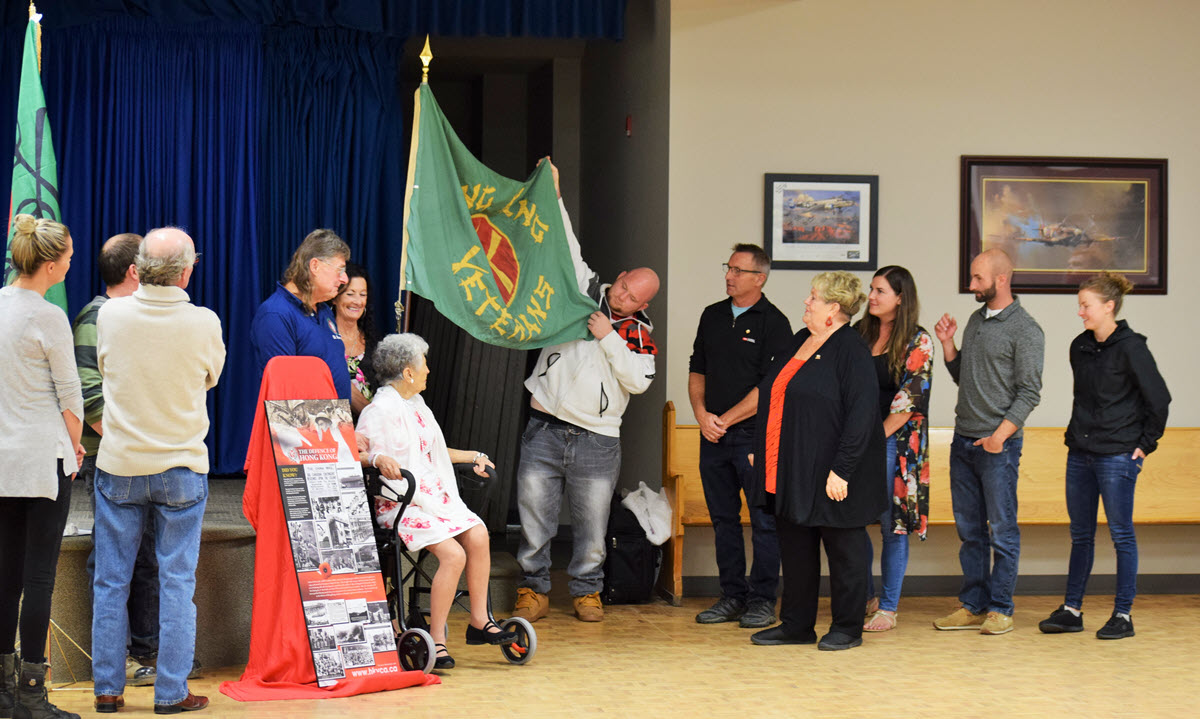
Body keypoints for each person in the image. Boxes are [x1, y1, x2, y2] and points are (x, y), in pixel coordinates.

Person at [513, 159, 660, 623]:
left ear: (643, 304)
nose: (620, 295)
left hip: (597, 437)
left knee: (592, 525)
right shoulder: (582, 291)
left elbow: (638, 381)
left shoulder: (639, 334)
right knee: (534, 517)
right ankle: (532, 589)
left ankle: (586, 591)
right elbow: (564, 244)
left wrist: (608, 337)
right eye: (621, 284)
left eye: (631, 296)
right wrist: (553, 194)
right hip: (545, 425)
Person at [91, 228, 225, 713]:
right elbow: (213, 377)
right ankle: (171, 693)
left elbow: (105, 368)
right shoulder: (204, 321)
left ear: (138, 267)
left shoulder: (110, 315)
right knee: (177, 583)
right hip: (181, 466)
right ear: (187, 271)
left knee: (110, 581)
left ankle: (107, 690)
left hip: (121, 464)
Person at [356, 333, 516, 670]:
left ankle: (478, 620)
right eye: (423, 364)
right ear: (408, 373)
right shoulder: (379, 408)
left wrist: (474, 455)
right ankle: (438, 638)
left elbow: (434, 452)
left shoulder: (416, 405)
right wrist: (378, 457)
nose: (428, 370)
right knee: (454, 554)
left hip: (432, 497)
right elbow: (359, 451)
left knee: (478, 534)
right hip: (400, 504)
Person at [745, 271, 885, 651]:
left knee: (845, 553)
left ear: (833, 309)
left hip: (833, 472)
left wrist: (842, 469)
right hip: (791, 467)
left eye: (813, 297)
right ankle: (796, 625)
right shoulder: (801, 341)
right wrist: (765, 445)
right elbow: (775, 394)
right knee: (796, 548)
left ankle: (846, 628)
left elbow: (862, 416)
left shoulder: (851, 350)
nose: (806, 302)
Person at [1038, 272, 1170, 640]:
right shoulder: (1079, 346)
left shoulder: (1132, 347)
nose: (1080, 312)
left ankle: (1123, 615)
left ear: (1108, 306)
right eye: (1080, 305)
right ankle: (1071, 610)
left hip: (1118, 456)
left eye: (1086, 305)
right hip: (1080, 454)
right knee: (1080, 535)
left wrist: (1146, 443)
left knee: (1121, 535)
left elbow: (1159, 399)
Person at [933, 248, 1043, 635]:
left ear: (1000, 280)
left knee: (1003, 529)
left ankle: (1001, 608)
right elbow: (966, 377)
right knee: (970, 532)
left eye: (978, 278)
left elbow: (1029, 393)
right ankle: (973, 606)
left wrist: (998, 438)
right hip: (963, 442)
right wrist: (947, 344)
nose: (971, 285)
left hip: (998, 446)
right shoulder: (975, 321)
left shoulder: (1026, 330)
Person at [0, 214, 84, 719]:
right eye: (69, 257)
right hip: (42, 458)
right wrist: (74, 447)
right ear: (50, 264)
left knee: (5, 577)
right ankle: (32, 694)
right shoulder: (47, 315)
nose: (72, 264)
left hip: (2, 457)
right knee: (38, 579)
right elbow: (70, 396)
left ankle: (4, 695)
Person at [72, 232, 161, 686]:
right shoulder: (96, 316)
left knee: (146, 555)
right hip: (113, 457)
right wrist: (124, 439)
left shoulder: (139, 316)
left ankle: (147, 652)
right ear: (134, 272)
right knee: (112, 558)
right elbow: (88, 393)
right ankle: (116, 659)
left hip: (146, 454)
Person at [688, 243, 792, 628]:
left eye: (737, 270)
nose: (728, 276)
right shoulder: (712, 315)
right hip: (711, 434)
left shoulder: (774, 323)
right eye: (727, 268)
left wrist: (725, 419)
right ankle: (731, 595)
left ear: (759, 278)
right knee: (723, 519)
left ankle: (763, 600)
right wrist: (701, 415)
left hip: (753, 436)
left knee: (764, 519)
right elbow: (697, 369)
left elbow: (770, 388)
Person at [856, 266, 934, 632]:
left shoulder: (918, 341)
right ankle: (866, 596)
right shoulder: (859, 333)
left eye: (881, 291)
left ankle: (888, 608)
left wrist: (874, 440)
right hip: (858, 442)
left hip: (893, 445)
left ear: (900, 298)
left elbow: (909, 400)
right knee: (854, 523)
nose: (872, 297)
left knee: (892, 527)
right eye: (871, 289)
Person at [250, 229, 351, 400]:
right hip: (310, 425)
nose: (345, 279)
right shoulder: (276, 314)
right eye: (340, 270)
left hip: (335, 424)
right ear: (315, 266)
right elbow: (285, 395)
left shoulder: (325, 311)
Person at [331, 263, 378, 416]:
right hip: (333, 428)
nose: (357, 301)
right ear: (335, 298)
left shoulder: (375, 341)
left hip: (370, 430)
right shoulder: (322, 338)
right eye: (350, 294)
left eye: (362, 294)